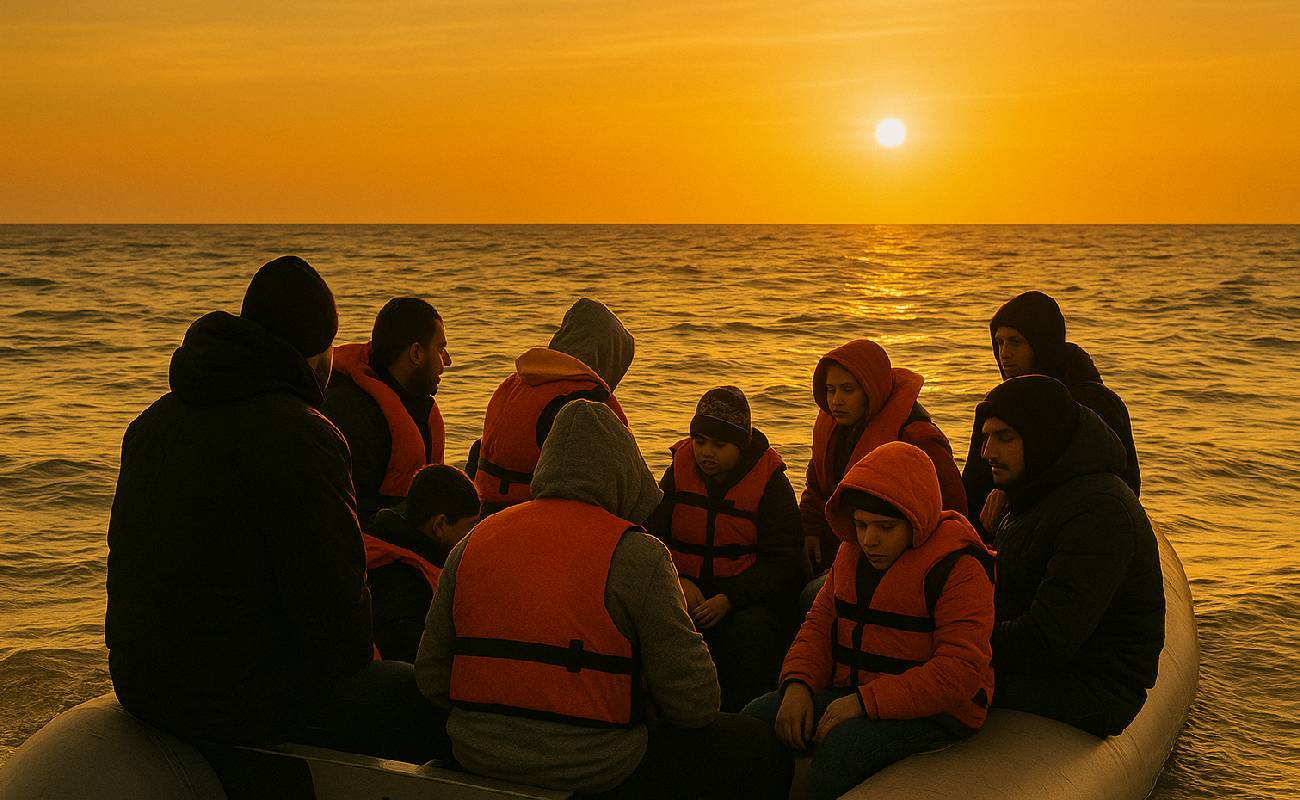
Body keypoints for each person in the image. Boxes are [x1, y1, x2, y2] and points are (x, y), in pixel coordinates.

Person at [106, 256, 444, 772]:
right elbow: (342, 635)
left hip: (142, 683)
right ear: (317, 354)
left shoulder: (150, 424)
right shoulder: (305, 437)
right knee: (431, 702)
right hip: (241, 700)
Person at [416, 400, 791, 799]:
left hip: (477, 754)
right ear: (623, 473)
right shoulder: (638, 556)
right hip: (599, 767)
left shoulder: (473, 542)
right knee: (757, 743)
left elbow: (431, 674)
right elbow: (695, 704)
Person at [744, 441, 995, 800]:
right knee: (756, 719)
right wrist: (797, 685)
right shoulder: (851, 553)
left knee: (842, 751)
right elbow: (819, 625)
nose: (869, 539)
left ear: (915, 520)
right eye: (861, 525)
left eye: (884, 528)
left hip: (937, 711)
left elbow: (961, 670)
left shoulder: (961, 568)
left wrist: (863, 703)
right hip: (856, 689)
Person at [975, 375, 1163, 737]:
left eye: (1004, 438)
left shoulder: (1099, 512)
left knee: (935, 683)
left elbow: (1049, 639)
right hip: (1050, 667)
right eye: (986, 437)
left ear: (1042, 437)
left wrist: (954, 642)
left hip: (1094, 688)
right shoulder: (1037, 488)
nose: (987, 452)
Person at [644, 386, 803, 712]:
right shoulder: (678, 472)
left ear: (740, 446)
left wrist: (730, 598)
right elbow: (651, 537)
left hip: (745, 597)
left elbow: (786, 563)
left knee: (750, 632)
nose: (706, 453)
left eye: (719, 444)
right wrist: (677, 582)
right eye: (700, 441)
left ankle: (744, 715)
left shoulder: (771, 483)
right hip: (686, 589)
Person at [963, 290, 1140, 540]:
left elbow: (1112, 477)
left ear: (1041, 344)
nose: (1004, 354)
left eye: (1015, 342)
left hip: (1075, 527)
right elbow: (974, 483)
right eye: (999, 342)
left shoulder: (1093, 402)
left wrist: (1014, 492)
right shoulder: (1000, 404)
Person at [799, 339, 966, 597]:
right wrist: (809, 529)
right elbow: (816, 485)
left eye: (847, 390)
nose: (836, 400)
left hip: (897, 557)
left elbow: (954, 506)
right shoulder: (833, 431)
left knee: (810, 595)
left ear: (870, 389)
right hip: (843, 546)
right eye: (831, 390)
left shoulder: (917, 437)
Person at [468, 297, 634, 516]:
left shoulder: (516, 382)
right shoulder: (590, 403)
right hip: (536, 519)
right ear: (607, 356)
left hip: (484, 512)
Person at [322, 297, 450, 525]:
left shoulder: (415, 403)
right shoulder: (352, 415)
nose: (448, 361)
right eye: (441, 349)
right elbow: (354, 519)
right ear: (416, 353)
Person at [365, 464, 481, 662]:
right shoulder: (404, 588)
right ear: (440, 525)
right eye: (471, 527)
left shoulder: (385, 533)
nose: (474, 536)